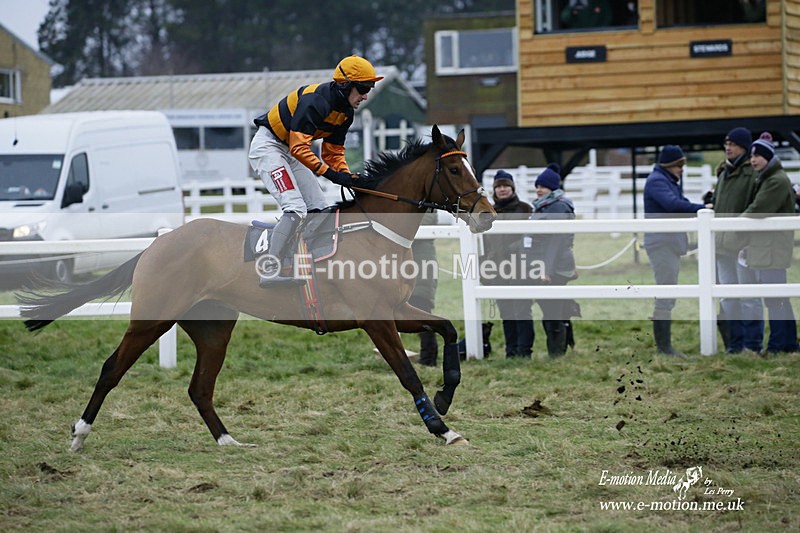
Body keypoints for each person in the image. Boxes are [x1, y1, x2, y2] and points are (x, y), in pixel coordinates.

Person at [248, 55, 383, 284]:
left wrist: (347, 176)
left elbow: (333, 153)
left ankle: (305, 262)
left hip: (290, 152)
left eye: (369, 87)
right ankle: (269, 269)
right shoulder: (315, 100)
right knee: (296, 208)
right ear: (344, 84)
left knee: (319, 209)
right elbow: (299, 147)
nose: (365, 95)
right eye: (362, 87)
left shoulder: (345, 113)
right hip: (269, 147)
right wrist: (331, 174)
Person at [643, 145, 708, 356]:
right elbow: (673, 205)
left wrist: (701, 205)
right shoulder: (658, 182)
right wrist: (702, 209)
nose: (682, 169)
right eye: (679, 165)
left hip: (667, 244)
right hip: (662, 244)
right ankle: (664, 348)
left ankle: (664, 346)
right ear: (669, 165)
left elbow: (680, 204)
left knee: (668, 291)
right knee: (666, 292)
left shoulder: (665, 181)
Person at [740, 133, 798, 353]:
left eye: (757, 156)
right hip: (769, 248)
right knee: (778, 298)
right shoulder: (768, 178)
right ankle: (788, 343)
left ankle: (777, 345)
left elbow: (758, 209)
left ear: (767, 157)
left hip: (772, 248)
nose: (753, 159)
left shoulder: (774, 181)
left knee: (775, 299)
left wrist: (733, 226)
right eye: (752, 155)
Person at [709, 127, 762, 353]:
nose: (728, 148)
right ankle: (734, 344)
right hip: (722, 246)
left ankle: (752, 344)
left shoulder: (752, 174)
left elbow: (755, 209)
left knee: (749, 298)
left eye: (733, 144)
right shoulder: (723, 174)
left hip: (742, 246)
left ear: (744, 147)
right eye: (726, 144)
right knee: (728, 298)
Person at [483, 170, 534, 359]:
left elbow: (530, 239)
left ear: (512, 188)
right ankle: (510, 351)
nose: (502, 190)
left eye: (505, 186)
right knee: (506, 311)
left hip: (520, 267)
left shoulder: (525, 209)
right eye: (498, 187)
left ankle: (524, 351)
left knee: (521, 309)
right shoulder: (489, 212)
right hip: (497, 268)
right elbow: (485, 243)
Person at [528, 164, 578, 357]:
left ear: (553, 188)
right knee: (554, 308)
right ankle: (562, 347)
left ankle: (557, 353)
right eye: (537, 186)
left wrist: (546, 270)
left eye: (543, 186)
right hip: (547, 265)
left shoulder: (557, 206)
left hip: (554, 267)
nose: (539, 189)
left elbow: (555, 242)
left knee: (552, 311)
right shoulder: (544, 205)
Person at [409, 210, 439, 366]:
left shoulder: (428, 207)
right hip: (407, 265)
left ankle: (429, 358)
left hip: (422, 265)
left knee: (422, 310)